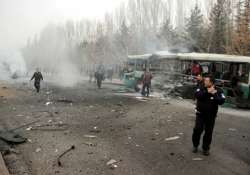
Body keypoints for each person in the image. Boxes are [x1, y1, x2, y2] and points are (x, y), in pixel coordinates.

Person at [192, 74, 225, 156]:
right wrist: (207, 92)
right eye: (204, 80)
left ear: (212, 82)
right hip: (200, 114)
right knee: (197, 129)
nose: (204, 82)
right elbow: (197, 95)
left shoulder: (219, 90)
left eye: (206, 81)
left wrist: (214, 94)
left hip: (211, 116)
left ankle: (205, 148)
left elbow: (221, 101)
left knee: (208, 133)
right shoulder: (201, 87)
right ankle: (195, 145)